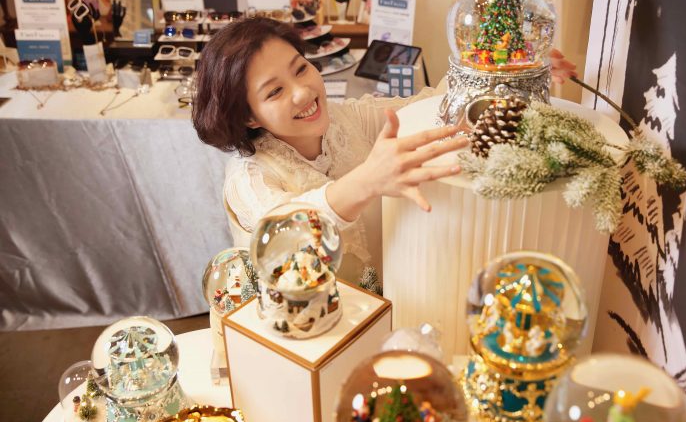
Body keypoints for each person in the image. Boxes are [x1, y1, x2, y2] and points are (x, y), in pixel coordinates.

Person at [192, 18, 577, 283]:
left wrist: (499, 68)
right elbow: (280, 239)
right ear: (248, 116)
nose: (303, 92)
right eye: (275, 91)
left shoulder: (349, 119)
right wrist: (368, 181)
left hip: (386, 304)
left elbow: (433, 105)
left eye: (301, 69)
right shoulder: (249, 178)